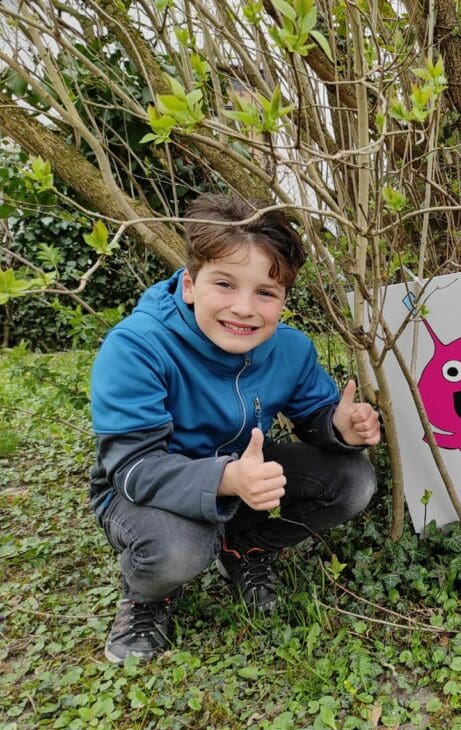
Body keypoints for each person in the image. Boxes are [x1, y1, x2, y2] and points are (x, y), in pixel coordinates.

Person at [89, 194, 381, 664]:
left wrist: (340, 426)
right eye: (224, 284)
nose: (244, 308)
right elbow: (132, 467)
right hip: (143, 489)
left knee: (354, 481)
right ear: (189, 284)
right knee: (180, 550)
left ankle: (244, 548)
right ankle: (146, 598)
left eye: (266, 292)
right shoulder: (135, 347)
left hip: (242, 477)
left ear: (284, 298)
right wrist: (226, 479)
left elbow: (315, 415)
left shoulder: (291, 348)